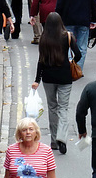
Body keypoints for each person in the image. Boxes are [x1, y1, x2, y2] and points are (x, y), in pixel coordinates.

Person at [33, 13, 81, 154]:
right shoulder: (67, 37)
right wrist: (71, 62)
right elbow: (78, 54)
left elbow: (40, 60)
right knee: (63, 108)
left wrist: (37, 80)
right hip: (65, 76)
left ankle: (54, 140)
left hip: (48, 77)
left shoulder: (44, 38)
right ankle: (62, 138)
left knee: (52, 107)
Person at [56, 0, 96, 67]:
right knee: (82, 46)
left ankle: (69, 66)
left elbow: (59, 4)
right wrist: (93, 20)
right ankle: (78, 68)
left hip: (68, 20)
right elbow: (94, 4)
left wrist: (58, 18)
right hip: (84, 20)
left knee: (68, 44)